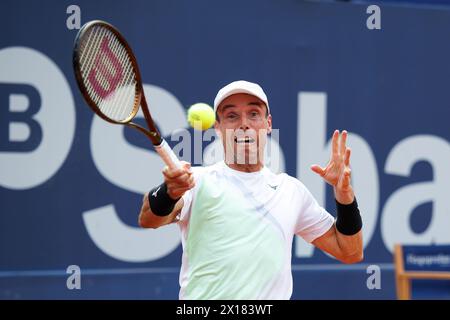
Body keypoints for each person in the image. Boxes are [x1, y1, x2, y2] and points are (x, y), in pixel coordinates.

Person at [138, 80, 363, 300]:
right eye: (232, 116)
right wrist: (170, 192)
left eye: (254, 114)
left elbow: (350, 252)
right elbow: (149, 218)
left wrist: (344, 197)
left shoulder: (291, 191)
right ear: (218, 128)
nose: (244, 123)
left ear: (267, 124)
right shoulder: (196, 181)